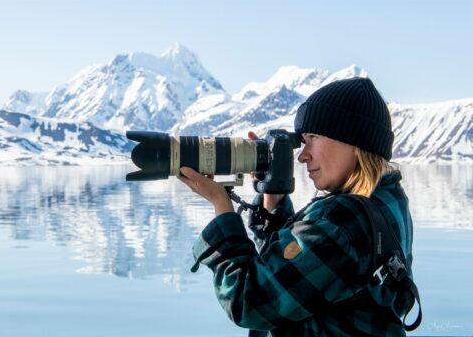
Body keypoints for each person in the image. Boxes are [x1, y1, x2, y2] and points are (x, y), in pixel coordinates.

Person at [178, 77, 419, 336]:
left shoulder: (342, 220)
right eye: (303, 141)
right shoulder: (389, 197)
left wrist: (221, 206)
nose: (303, 156)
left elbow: (247, 300)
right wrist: (273, 196)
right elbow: (301, 275)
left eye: (313, 138)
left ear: (354, 143)